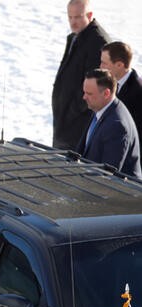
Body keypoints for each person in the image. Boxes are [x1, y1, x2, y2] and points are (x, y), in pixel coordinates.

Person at [52, 0, 110, 150]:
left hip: (78, 127)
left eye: (77, 17)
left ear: (90, 15)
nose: (73, 22)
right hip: (64, 122)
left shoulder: (98, 42)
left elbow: (95, 86)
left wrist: (70, 112)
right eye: (70, 17)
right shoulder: (75, 37)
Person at [77, 68, 141, 179]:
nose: (84, 97)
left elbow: (107, 176)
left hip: (121, 193)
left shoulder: (117, 126)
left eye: (89, 93)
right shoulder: (100, 106)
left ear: (106, 93)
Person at [100, 41, 142, 142]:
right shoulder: (106, 82)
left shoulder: (138, 93)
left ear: (119, 65)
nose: (100, 66)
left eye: (104, 63)